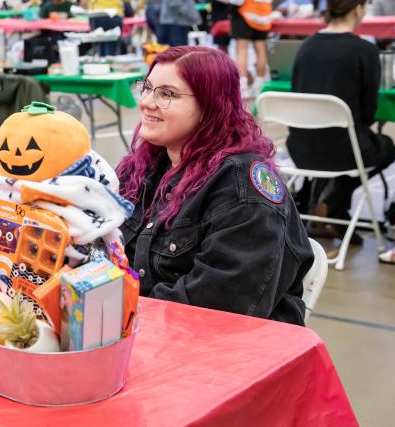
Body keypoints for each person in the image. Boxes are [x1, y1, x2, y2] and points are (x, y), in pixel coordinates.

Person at [117, 46, 313, 325]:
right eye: (147, 88)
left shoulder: (242, 185)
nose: (147, 102)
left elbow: (221, 304)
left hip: (229, 349)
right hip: (147, 332)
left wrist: (119, 307)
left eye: (167, 94)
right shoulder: (143, 167)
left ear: (210, 104)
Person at [286, 0, 395, 244]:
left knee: (339, 144)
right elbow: (368, 114)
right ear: (359, 9)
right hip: (344, 150)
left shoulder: (306, 47)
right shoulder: (365, 51)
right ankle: (332, 206)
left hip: (300, 148)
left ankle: (330, 211)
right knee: (386, 148)